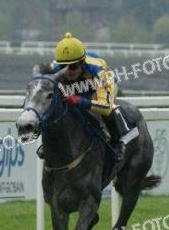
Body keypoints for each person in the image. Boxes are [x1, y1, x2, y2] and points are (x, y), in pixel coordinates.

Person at [38, 32, 138, 160]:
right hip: (76, 86)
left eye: (73, 66)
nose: (68, 71)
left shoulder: (98, 70)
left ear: (82, 62)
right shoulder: (54, 69)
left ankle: (117, 141)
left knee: (108, 110)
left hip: (99, 85)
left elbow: (105, 107)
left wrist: (80, 101)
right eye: (64, 67)